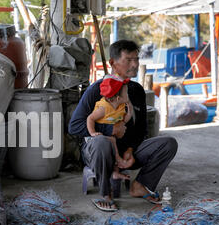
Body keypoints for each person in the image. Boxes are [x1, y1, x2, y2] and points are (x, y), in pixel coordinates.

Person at [69, 40, 178, 212]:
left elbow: (142, 129)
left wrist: (130, 150)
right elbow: (74, 126)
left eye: (136, 59)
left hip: (127, 153)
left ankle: (141, 185)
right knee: (101, 142)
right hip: (99, 152)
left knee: (168, 143)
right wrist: (109, 130)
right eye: (128, 60)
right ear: (112, 62)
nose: (135, 64)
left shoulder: (136, 90)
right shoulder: (96, 90)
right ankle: (105, 194)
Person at [87, 74, 133, 180]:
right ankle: (119, 160)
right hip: (99, 138)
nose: (128, 95)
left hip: (112, 136)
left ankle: (115, 172)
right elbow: (90, 119)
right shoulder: (104, 108)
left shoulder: (121, 106)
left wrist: (129, 111)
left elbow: (123, 122)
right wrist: (93, 132)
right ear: (117, 98)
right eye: (126, 93)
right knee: (112, 141)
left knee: (116, 144)